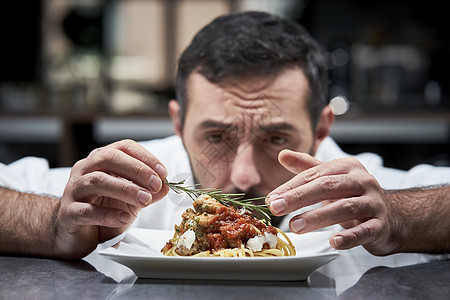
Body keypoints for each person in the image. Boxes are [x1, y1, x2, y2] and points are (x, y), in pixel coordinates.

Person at [0, 11, 449, 259]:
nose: (243, 174)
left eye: (276, 138)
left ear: (321, 128)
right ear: (177, 124)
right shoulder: (135, 182)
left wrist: (404, 217)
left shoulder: (361, 194)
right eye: (216, 136)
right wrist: (52, 222)